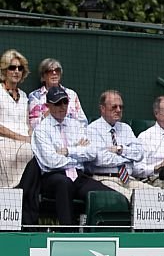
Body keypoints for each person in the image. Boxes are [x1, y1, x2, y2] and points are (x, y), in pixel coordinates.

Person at [30, 86, 113, 225]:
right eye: (57, 103)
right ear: (48, 105)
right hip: (53, 177)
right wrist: (79, 151)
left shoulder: (76, 125)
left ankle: (97, 233)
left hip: (78, 175)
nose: (62, 107)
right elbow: (51, 161)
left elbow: (92, 153)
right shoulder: (41, 130)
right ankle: (67, 233)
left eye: (65, 102)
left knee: (109, 196)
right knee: (64, 184)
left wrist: (70, 150)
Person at [84, 90, 153, 197]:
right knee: (134, 198)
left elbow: (139, 154)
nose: (118, 110)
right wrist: (128, 157)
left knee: (156, 195)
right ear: (102, 108)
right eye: (114, 107)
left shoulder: (126, 128)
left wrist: (120, 150)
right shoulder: (92, 130)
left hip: (128, 180)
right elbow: (100, 159)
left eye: (121, 107)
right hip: (105, 179)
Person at [0, 49, 33, 188]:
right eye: (12, 67)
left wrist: (31, 137)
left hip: (25, 145)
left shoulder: (24, 96)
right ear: (4, 71)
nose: (16, 71)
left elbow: (27, 123)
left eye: (20, 68)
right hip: (4, 143)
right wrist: (21, 138)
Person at [27, 58, 88, 130]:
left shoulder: (71, 94)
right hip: (46, 134)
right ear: (43, 77)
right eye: (49, 71)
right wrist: (46, 115)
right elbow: (32, 125)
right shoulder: (35, 96)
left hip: (71, 134)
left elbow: (83, 121)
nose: (54, 73)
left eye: (57, 70)